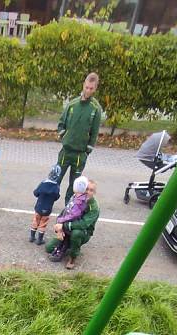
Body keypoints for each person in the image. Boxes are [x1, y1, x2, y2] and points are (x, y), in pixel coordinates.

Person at [56, 73, 102, 204]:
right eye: (86, 87)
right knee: (55, 179)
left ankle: (68, 207)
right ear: (83, 85)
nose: (88, 90)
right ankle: (46, 204)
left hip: (80, 154)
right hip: (66, 151)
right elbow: (61, 123)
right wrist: (63, 136)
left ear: (95, 89)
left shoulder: (95, 109)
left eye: (91, 88)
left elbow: (94, 132)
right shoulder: (72, 104)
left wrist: (88, 149)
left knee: (74, 184)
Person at [46, 179, 99, 270]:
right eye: (86, 189)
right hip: (68, 229)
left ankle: (73, 257)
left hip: (83, 232)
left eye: (91, 190)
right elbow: (65, 212)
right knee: (49, 248)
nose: (88, 192)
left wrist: (64, 226)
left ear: (94, 192)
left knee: (76, 233)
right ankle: (69, 245)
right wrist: (59, 225)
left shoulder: (94, 207)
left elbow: (83, 224)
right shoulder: (76, 197)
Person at [29, 163, 62, 246]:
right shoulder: (56, 187)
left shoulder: (43, 184)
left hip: (39, 207)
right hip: (47, 209)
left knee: (35, 220)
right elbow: (57, 197)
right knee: (43, 223)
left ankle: (32, 237)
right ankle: (39, 240)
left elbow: (35, 193)